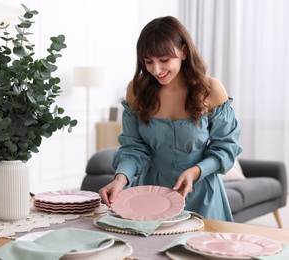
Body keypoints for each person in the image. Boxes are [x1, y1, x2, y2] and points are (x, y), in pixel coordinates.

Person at [99, 16, 243, 221]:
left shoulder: (211, 90)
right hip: (151, 194)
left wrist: (196, 171)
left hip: (202, 192)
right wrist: (120, 178)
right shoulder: (137, 90)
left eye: (164, 60)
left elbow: (226, 148)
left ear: (183, 52)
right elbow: (133, 147)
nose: (156, 70)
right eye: (148, 62)